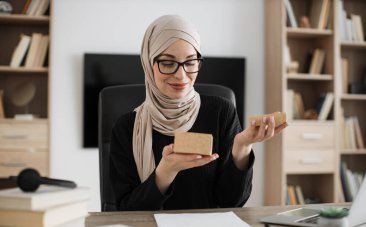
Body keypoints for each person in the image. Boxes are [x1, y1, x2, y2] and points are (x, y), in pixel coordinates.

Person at [110, 15, 287, 211]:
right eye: (168, 63)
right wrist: (165, 171)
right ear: (148, 63)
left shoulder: (221, 112)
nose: (181, 75)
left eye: (190, 62)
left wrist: (242, 146)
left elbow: (232, 202)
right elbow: (126, 211)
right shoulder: (126, 128)